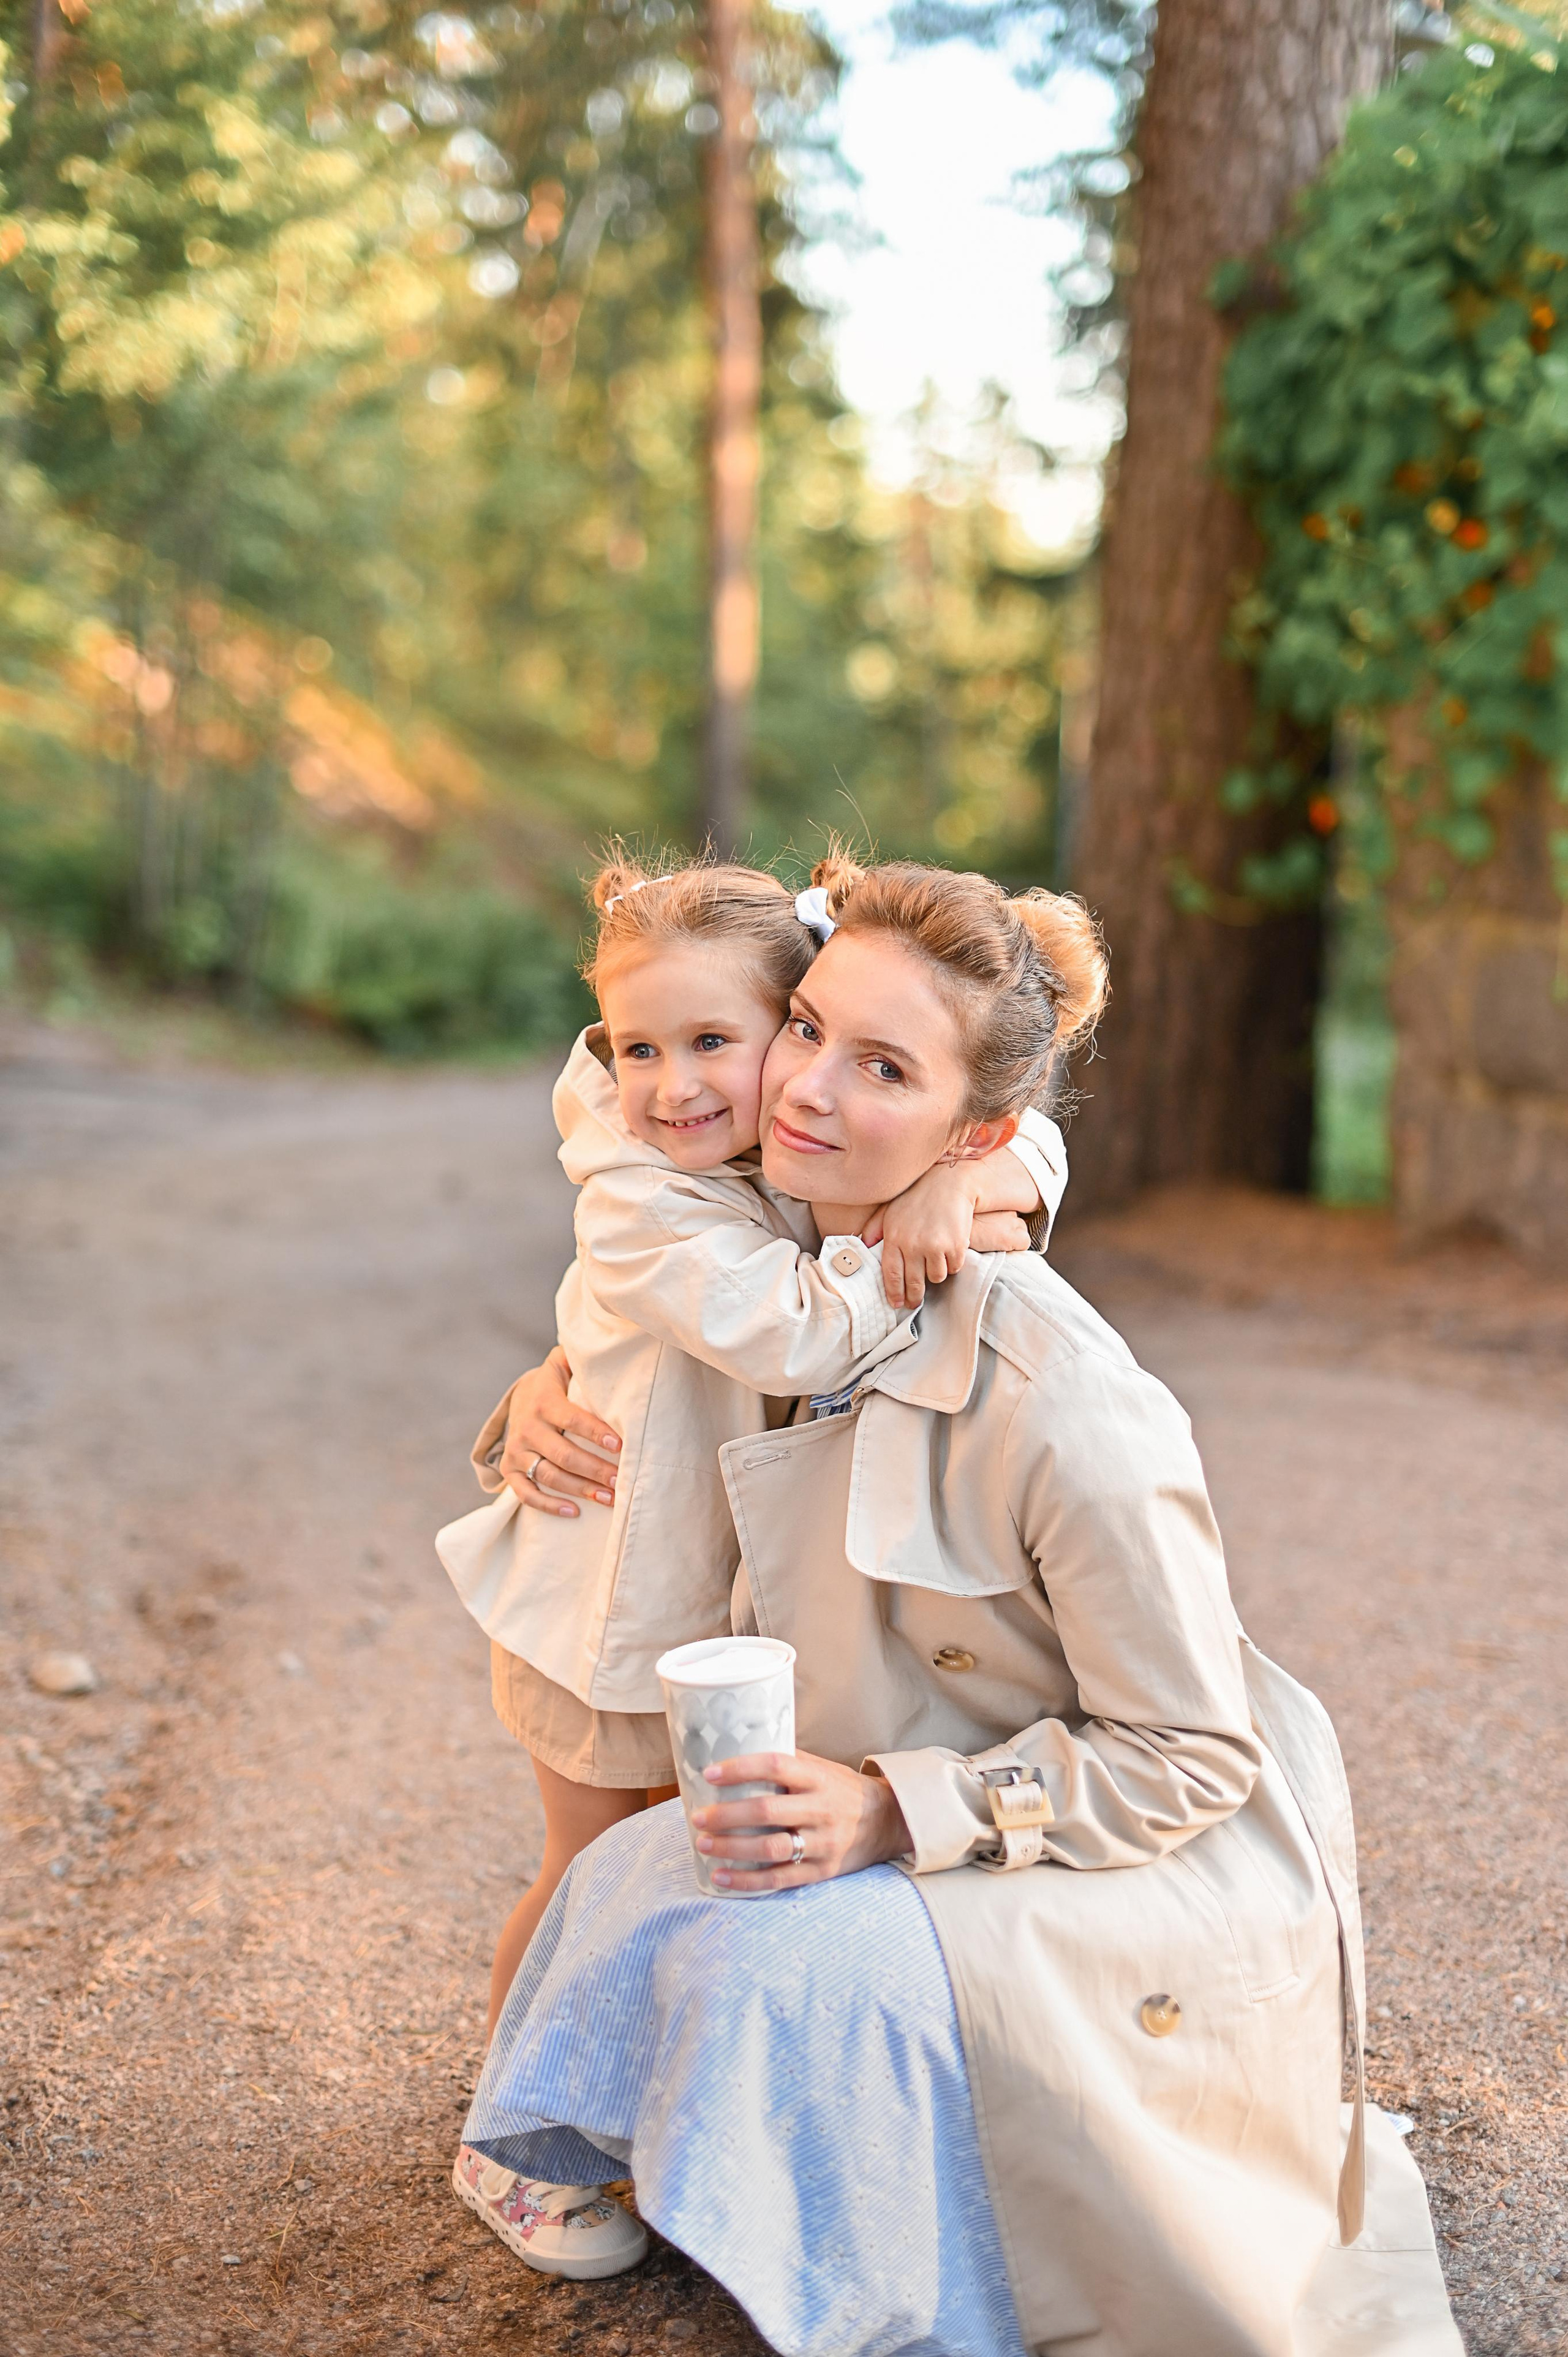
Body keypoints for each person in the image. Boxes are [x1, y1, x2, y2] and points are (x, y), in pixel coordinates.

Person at [462, 858, 1453, 2357]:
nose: (789, 1086)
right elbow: (669, 1339)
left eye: (878, 1068)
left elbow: (1189, 1753)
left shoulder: (1065, 1394)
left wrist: (885, 1811)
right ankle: (568, 2135)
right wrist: (537, 1396)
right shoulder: (754, 1215)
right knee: (631, 1875)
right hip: (784, 1673)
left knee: (763, 1939)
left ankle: (915, 2205)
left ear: (974, 1131)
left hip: (1114, 1825)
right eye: (800, 1026)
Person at [439, 852, 1068, 2280]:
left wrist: (988, 1172)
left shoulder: (792, 1127)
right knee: (587, 1871)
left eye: (714, 1040)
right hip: (601, 1604)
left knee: (698, 1874)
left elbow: (1008, 1096)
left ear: (797, 1018)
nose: (670, 1083)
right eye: (634, 1047)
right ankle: (512, 2134)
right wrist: (941, 1215)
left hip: (736, 1608)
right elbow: (792, 1331)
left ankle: (664, 2112)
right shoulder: (633, 1192)